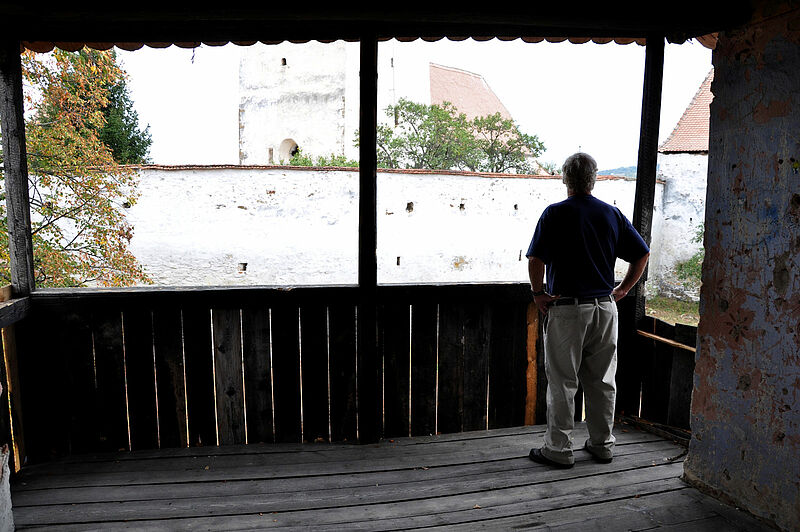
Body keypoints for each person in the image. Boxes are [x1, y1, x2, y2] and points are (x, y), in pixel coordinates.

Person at [526, 152, 650, 469]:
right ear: (593, 179)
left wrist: (538, 294)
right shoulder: (610, 214)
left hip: (567, 309)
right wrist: (622, 289)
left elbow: (536, 260)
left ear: (566, 178)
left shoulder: (555, 214)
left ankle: (559, 449)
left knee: (563, 380)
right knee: (602, 381)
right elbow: (641, 253)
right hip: (606, 309)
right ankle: (602, 445)